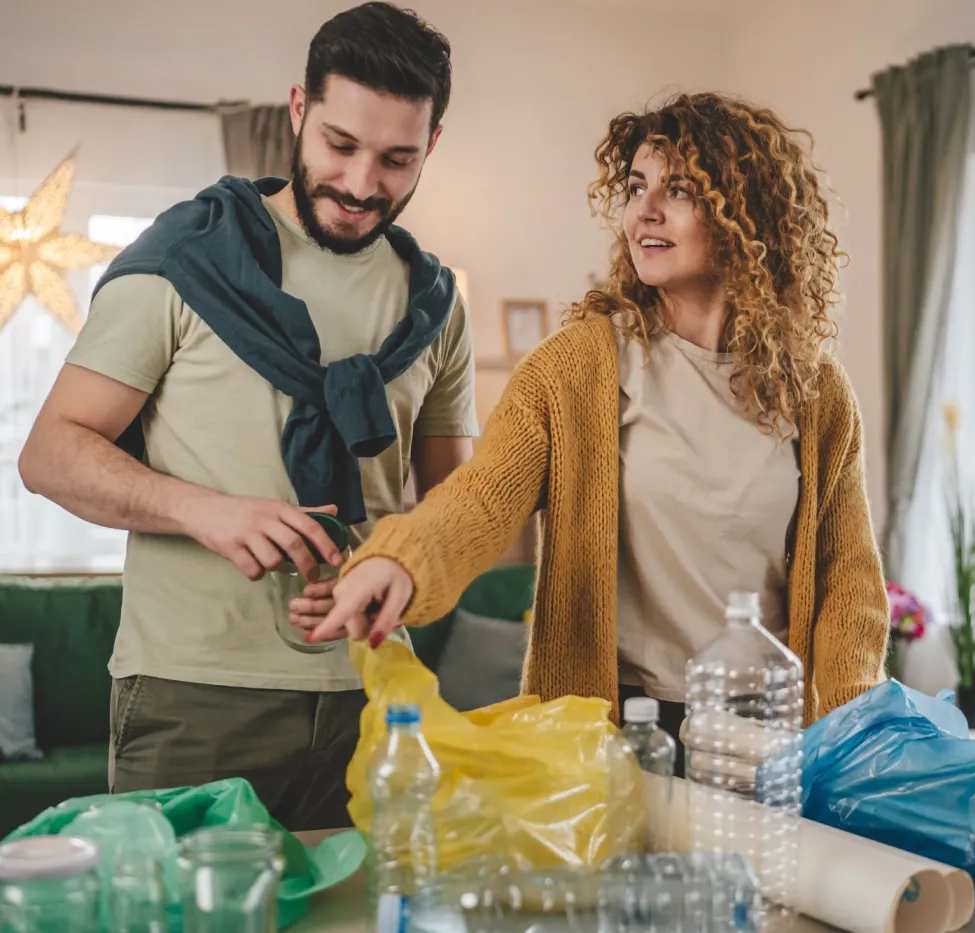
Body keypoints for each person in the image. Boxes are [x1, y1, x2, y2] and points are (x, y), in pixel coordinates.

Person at [310, 91, 888, 752]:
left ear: (745, 213)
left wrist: (853, 734)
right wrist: (401, 560)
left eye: (679, 190)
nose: (645, 210)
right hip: (623, 731)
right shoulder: (578, 368)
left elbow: (848, 581)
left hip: (769, 732)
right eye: (637, 187)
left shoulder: (815, 392)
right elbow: (481, 499)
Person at [18, 2, 476, 830]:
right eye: (340, 144)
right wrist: (202, 509)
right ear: (298, 109)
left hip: (376, 697)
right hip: (193, 695)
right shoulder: (183, 259)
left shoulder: (437, 307)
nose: (361, 184)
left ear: (432, 145)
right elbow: (49, 454)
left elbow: (458, 511)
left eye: (397, 159)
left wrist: (400, 575)